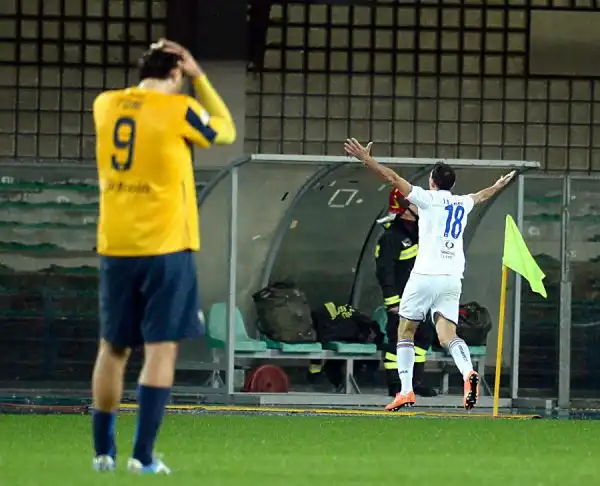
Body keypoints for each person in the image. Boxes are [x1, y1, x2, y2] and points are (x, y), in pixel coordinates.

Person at [91, 39, 236, 474]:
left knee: (113, 346)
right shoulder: (178, 110)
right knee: (160, 349)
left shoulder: (105, 105)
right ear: (176, 73)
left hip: (115, 244)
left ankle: (103, 453)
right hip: (165, 246)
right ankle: (143, 456)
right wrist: (200, 77)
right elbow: (225, 130)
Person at [344, 138, 515, 410]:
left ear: (432, 182)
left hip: (424, 276)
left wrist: (366, 159)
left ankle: (406, 390)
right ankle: (467, 372)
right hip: (451, 278)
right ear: (452, 185)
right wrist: (498, 185)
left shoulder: (425, 198)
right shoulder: (461, 203)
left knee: (405, 330)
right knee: (448, 335)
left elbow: (391, 177)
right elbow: (481, 196)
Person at [375, 187, 437, 398]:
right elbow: (385, 272)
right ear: (404, 207)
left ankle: (415, 382)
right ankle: (396, 384)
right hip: (401, 300)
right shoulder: (391, 237)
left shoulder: (423, 232)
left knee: (423, 338)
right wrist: (393, 302)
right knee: (398, 341)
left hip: (423, 298)